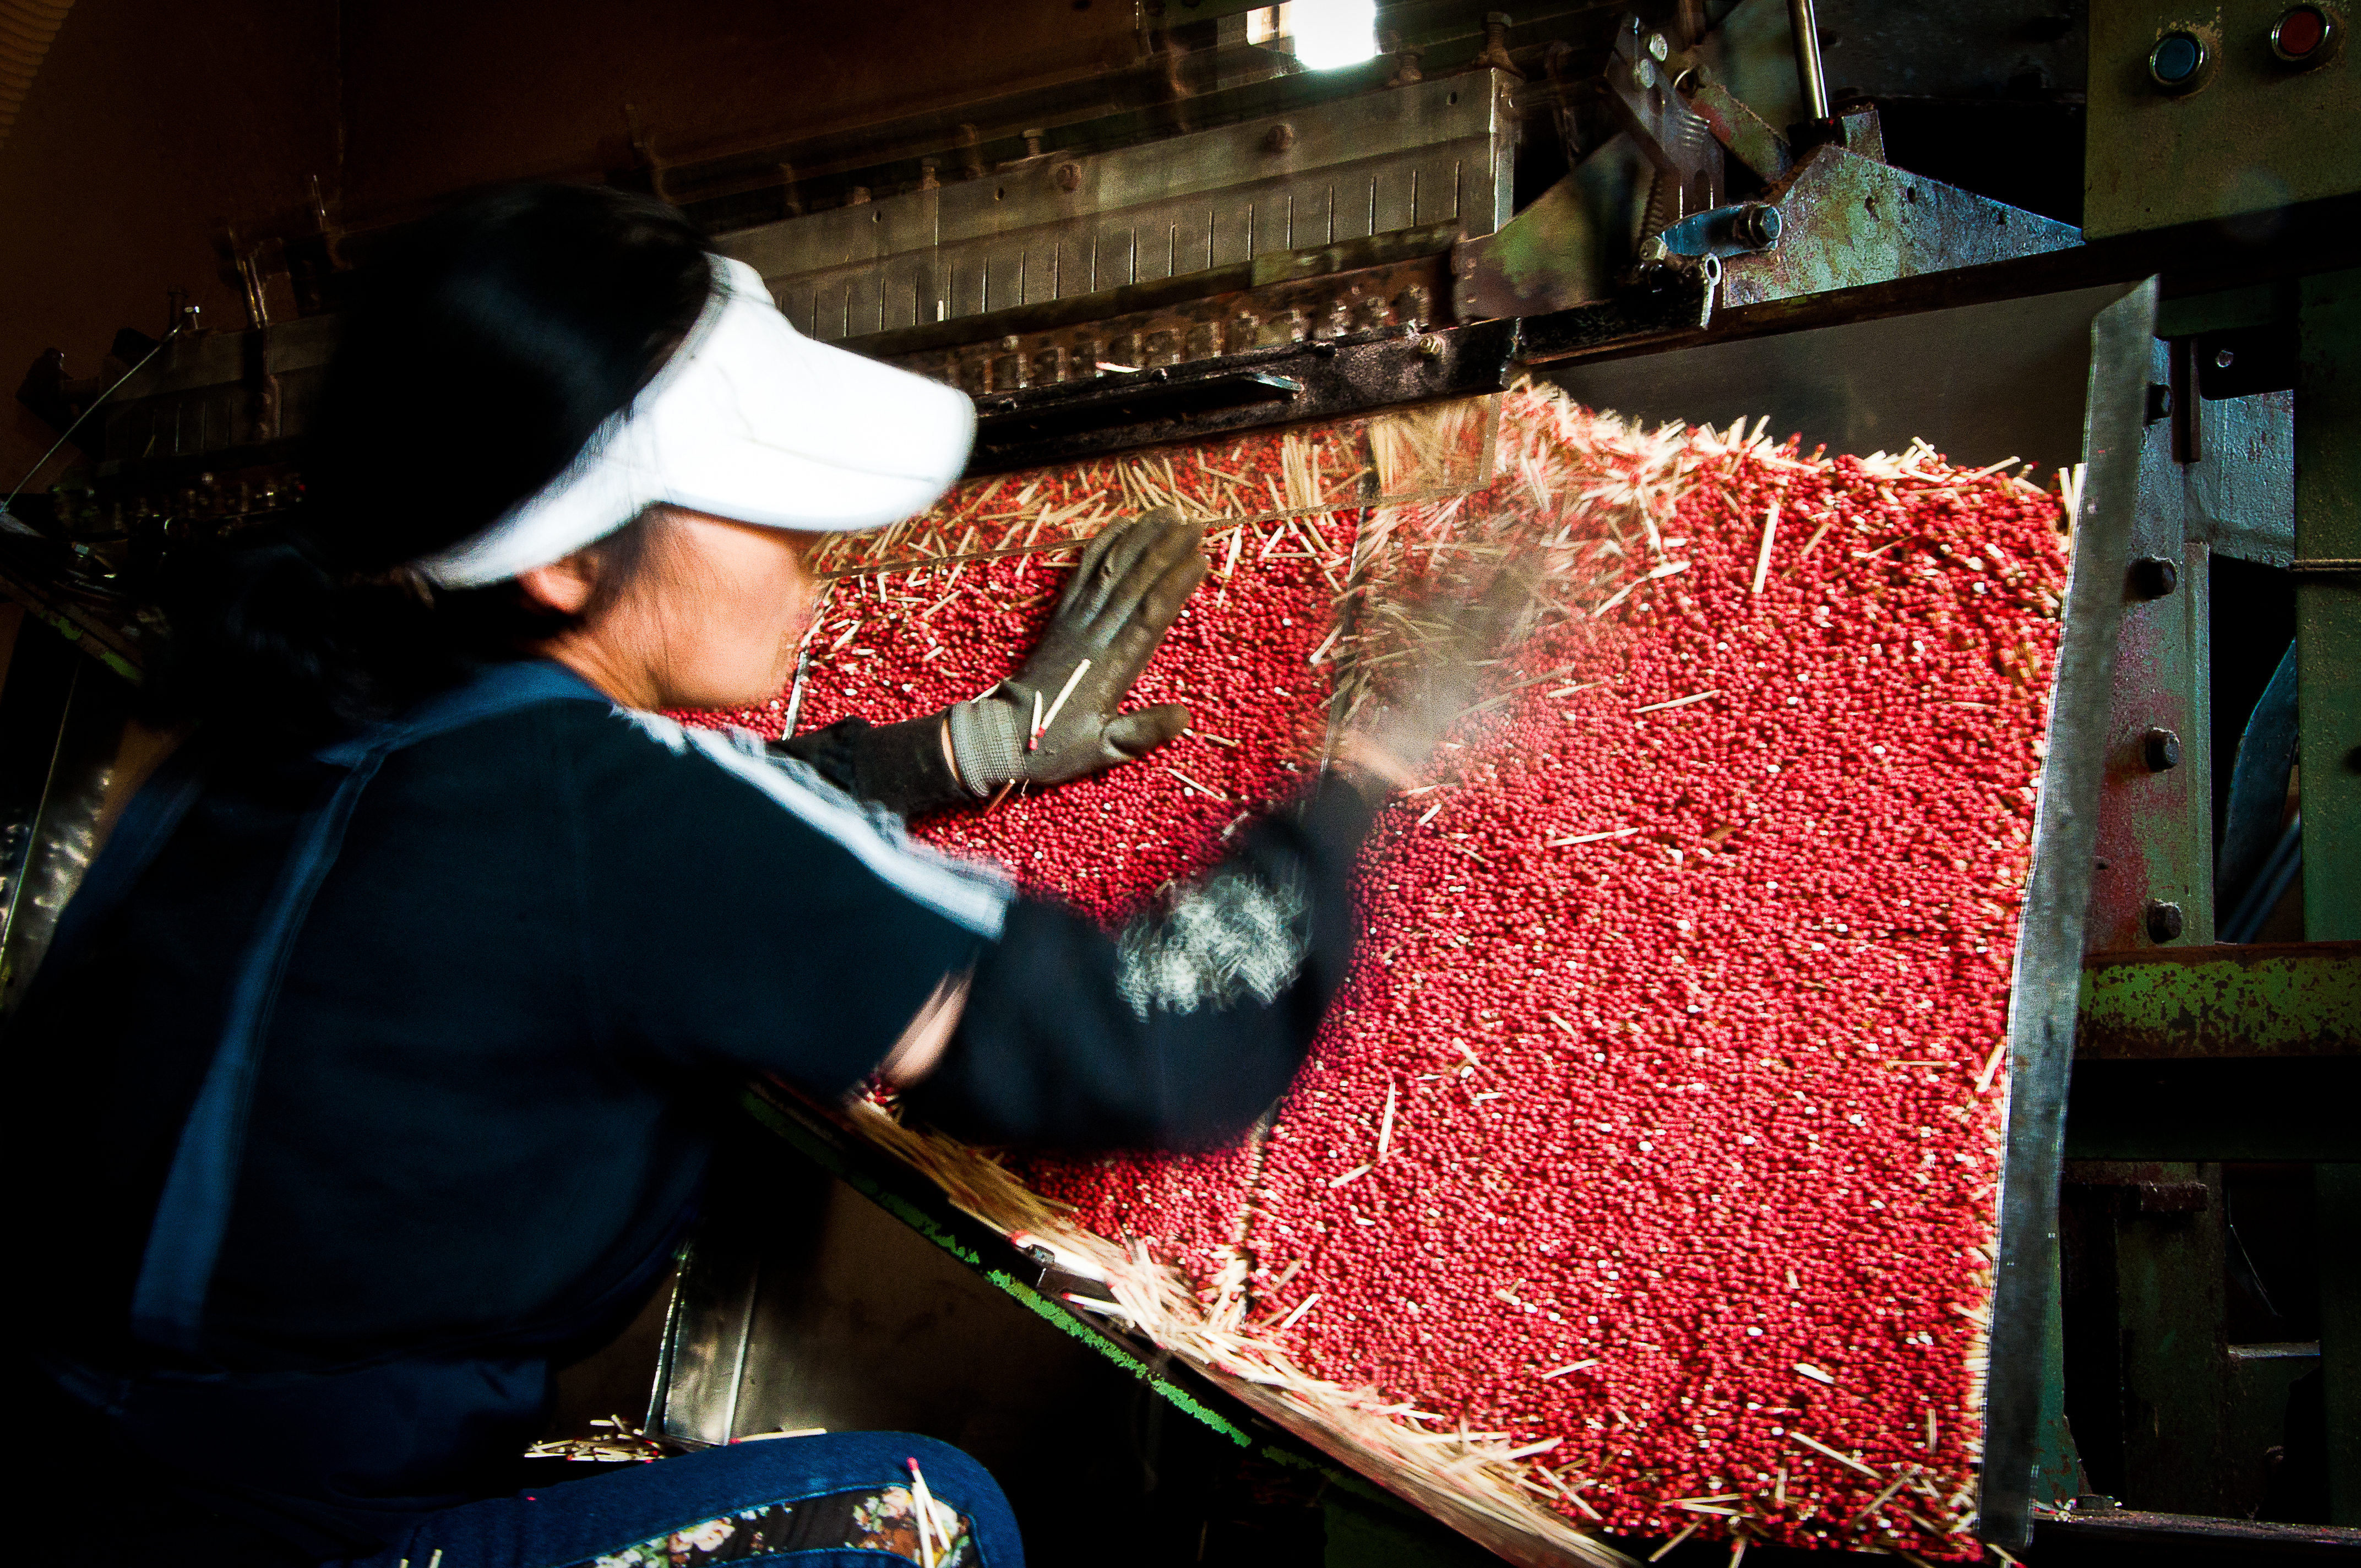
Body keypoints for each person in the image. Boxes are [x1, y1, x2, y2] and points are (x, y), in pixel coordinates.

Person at [11, 184, 1426, 1567]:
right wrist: (1354, 785)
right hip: (288, 1528)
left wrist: (951, 749)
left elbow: (555, 875)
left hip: (75, 1456)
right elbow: (1140, 1041)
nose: (816, 555)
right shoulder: (638, 816)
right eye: (763, 509)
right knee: (920, 1528)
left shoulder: (271, 738)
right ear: (568, 560)